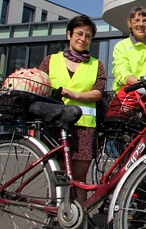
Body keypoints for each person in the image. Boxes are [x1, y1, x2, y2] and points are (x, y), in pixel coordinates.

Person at [39, 15, 106, 202]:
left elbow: (97, 93)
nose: (83, 39)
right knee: (57, 177)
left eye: (88, 36)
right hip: (54, 125)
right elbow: (40, 86)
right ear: (69, 34)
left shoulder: (96, 65)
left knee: (79, 179)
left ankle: (79, 218)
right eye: (79, 33)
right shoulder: (50, 60)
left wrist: (75, 95)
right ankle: (55, 215)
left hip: (84, 128)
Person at [112, 6, 146, 93]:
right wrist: (143, 85)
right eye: (136, 20)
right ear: (129, 23)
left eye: (145, 21)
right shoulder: (122, 46)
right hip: (130, 95)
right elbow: (121, 71)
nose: (141, 24)